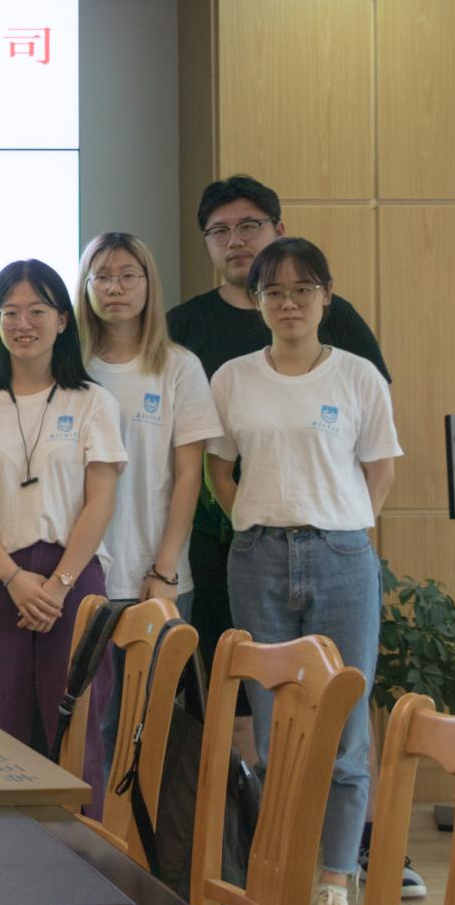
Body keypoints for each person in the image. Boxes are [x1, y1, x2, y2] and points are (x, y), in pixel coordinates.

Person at [206, 237, 399, 905]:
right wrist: (254, 517)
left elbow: (380, 469)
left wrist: (343, 524)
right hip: (257, 559)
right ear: (257, 302)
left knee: (345, 730)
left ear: (326, 296)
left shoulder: (358, 377)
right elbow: (220, 467)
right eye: (274, 292)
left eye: (302, 290)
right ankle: (281, 874)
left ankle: (333, 887)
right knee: (273, 729)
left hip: (343, 558)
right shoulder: (233, 378)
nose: (288, 304)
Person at [166, 175, 390, 683]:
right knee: (246, 690)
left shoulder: (339, 323)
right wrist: (249, 519)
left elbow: (376, 448)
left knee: (339, 695)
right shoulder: (185, 327)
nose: (235, 240)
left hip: (337, 544)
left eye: (248, 225)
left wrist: (347, 523)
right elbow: (209, 462)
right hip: (234, 546)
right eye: (219, 231)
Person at [0, 259, 125, 812]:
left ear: (62, 320)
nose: (23, 324)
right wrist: (15, 579)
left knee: (78, 733)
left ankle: (84, 853)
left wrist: (58, 586)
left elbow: (101, 499)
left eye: (37, 310)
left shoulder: (93, 401)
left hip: (74, 577)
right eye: (9, 312)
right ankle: (2, 854)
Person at [74, 231, 218, 774]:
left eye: (128, 276)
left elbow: (188, 476)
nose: (115, 288)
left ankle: (140, 832)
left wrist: (164, 569)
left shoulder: (178, 366)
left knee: (146, 727)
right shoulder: (71, 365)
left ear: (148, 284)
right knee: (90, 726)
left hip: (156, 577)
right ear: (85, 287)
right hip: (83, 573)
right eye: (102, 277)